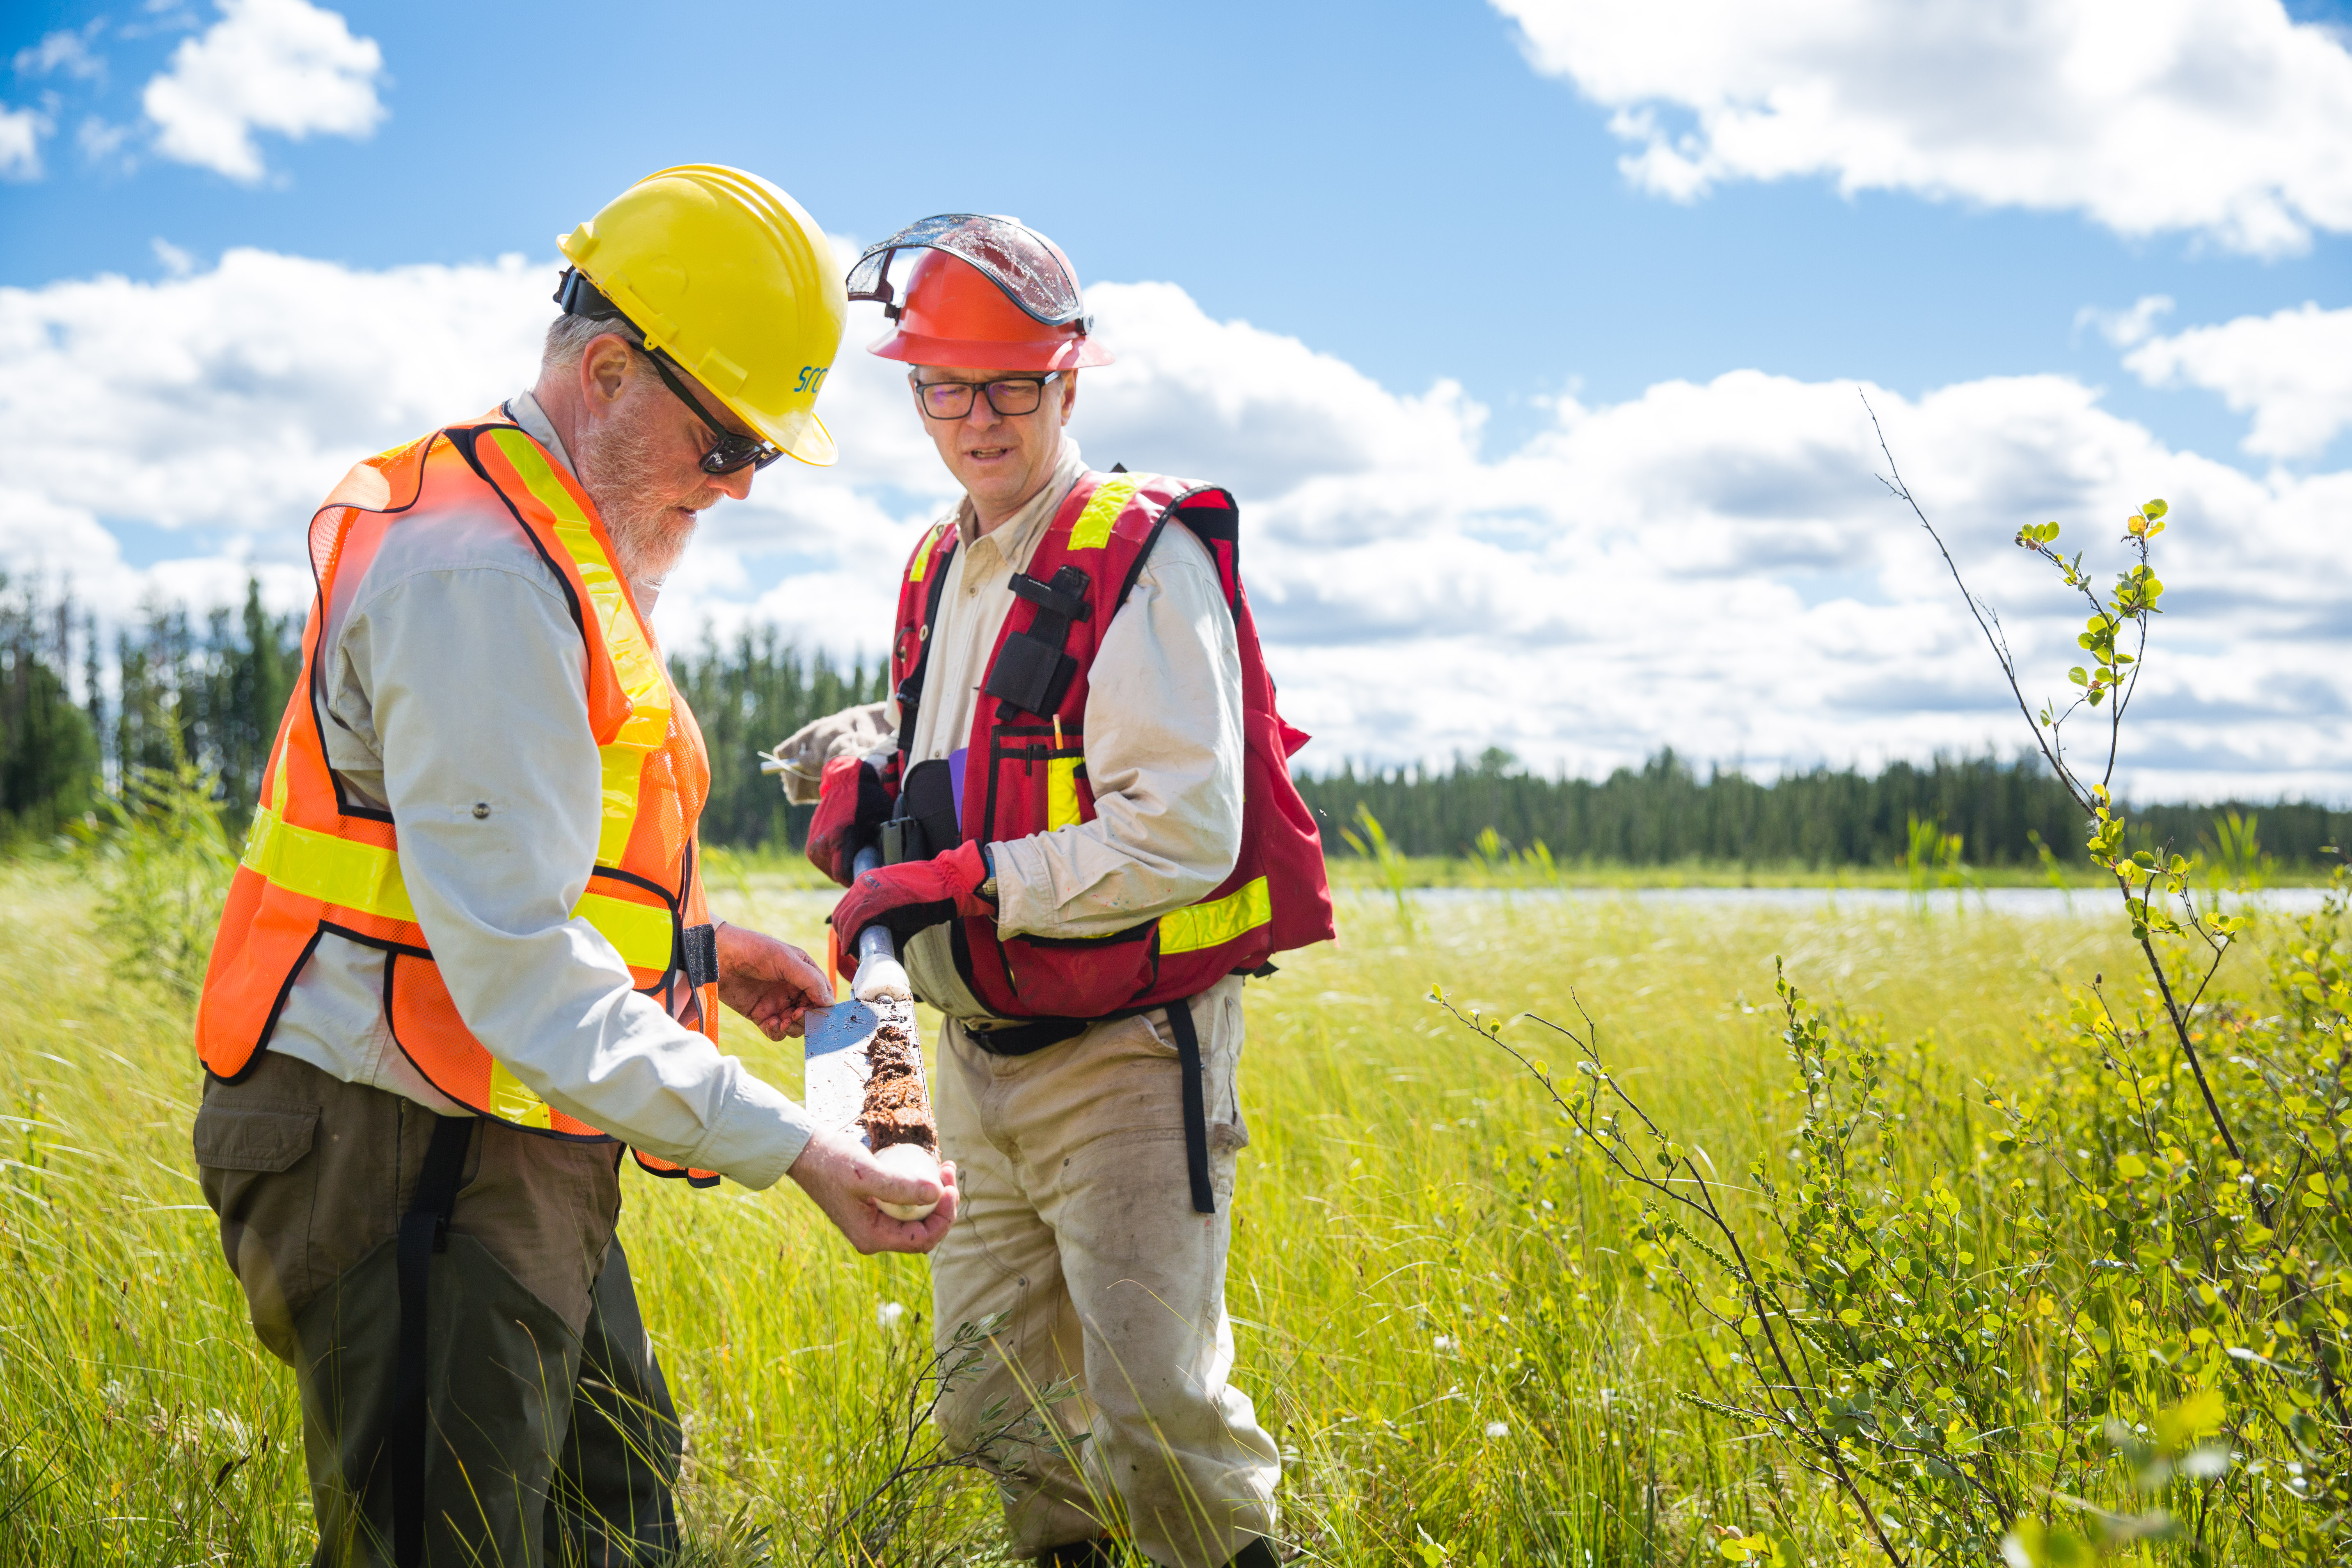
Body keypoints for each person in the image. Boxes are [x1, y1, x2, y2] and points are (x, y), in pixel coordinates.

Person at [189, 165, 956, 1568]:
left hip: (501, 1120)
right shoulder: (481, 577)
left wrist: (705, 960)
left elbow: (508, 869)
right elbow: (518, 962)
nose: (732, 489)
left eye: (761, 459)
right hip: (393, 1141)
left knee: (615, 1515)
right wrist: (800, 1150)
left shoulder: (562, 545)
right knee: (458, 1543)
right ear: (608, 370)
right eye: (725, 443)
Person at [779, 214, 1333, 1568]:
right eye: (945, 388)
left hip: (1125, 1061)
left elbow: (1178, 834)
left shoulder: (1143, 553)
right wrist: (871, 785)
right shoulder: (932, 562)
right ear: (914, 392)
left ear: (1067, 382)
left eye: (1011, 386)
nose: (978, 418)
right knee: (992, 1409)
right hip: (960, 1050)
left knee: (1157, 1417)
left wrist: (960, 876)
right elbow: (981, 748)